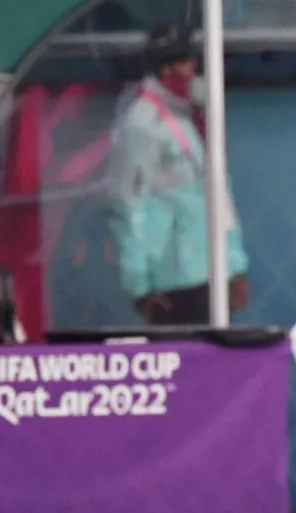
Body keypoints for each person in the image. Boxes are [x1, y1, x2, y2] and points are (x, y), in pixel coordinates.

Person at [106, 21, 251, 325]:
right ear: (163, 69)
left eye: (188, 61)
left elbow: (217, 196)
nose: (187, 71)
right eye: (177, 63)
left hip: (212, 272)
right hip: (172, 282)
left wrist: (233, 265)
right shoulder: (142, 124)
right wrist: (140, 287)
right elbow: (125, 205)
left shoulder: (194, 114)